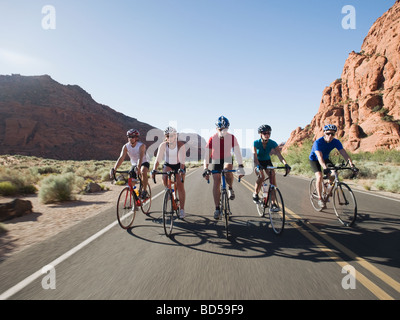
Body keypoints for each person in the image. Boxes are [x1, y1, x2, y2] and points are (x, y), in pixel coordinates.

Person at [203, 116, 245, 220]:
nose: (223, 131)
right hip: (216, 159)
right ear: (217, 129)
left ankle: (230, 187)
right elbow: (206, 156)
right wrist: (205, 168)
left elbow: (237, 153)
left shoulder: (232, 137)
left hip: (227, 158)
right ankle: (217, 208)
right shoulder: (212, 138)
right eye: (221, 129)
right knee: (216, 181)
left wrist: (240, 166)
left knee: (227, 170)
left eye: (225, 129)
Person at [309, 124, 357, 208]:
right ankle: (320, 199)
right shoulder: (318, 142)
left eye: (332, 134)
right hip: (315, 159)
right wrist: (325, 168)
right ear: (324, 133)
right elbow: (319, 157)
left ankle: (328, 187)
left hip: (325, 158)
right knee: (319, 177)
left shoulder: (336, 142)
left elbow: (344, 153)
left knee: (334, 173)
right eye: (328, 133)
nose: (330, 135)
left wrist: (351, 164)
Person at [151, 127, 187, 219]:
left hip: (179, 165)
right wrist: (154, 169)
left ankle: (182, 209)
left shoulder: (180, 145)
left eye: (172, 136)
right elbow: (158, 158)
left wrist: (181, 170)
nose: (170, 138)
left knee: (180, 185)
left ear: (176, 136)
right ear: (166, 137)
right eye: (168, 136)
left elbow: (182, 161)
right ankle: (169, 192)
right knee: (164, 177)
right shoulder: (163, 145)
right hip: (168, 164)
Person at [252, 124, 291, 206]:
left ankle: (273, 203)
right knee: (261, 177)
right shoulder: (256, 143)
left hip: (267, 161)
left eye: (268, 133)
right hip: (257, 161)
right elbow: (255, 156)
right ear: (260, 134)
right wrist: (258, 166)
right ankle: (255, 193)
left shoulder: (273, 143)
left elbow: (280, 156)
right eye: (264, 133)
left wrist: (286, 164)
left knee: (273, 180)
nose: (267, 135)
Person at [110, 129, 150, 198]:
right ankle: (137, 196)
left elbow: (140, 157)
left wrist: (138, 167)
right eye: (129, 137)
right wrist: (115, 168)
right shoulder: (126, 146)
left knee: (143, 171)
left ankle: (145, 191)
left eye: (132, 137)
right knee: (131, 184)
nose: (130, 138)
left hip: (143, 162)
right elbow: (121, 158)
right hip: (134, 164)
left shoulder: (141, 145)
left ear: (136, 138)